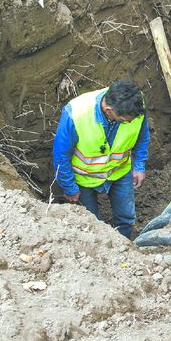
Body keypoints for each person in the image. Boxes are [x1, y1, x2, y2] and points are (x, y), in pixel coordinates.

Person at [52, 80, 149, 239]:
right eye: (125, 120)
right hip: (84, 179)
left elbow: (142, 135)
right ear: (108, 110)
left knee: (126, 218)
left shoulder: (136, 106)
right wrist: (69, 187)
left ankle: (124, 247)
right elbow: (61, 155)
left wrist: (139, 164)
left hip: (119, 171)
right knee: (91, 224)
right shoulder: (76, 114)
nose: (129, 122)